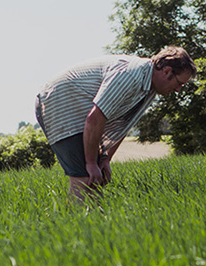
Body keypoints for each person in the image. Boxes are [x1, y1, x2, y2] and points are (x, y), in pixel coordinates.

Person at [36, 47, 196, 201]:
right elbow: (94, 119)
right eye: (180, 83)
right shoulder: (130, 74)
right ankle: (72, 225)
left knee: (95, 181)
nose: (178, 90)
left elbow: (124, 124)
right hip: (59, 102)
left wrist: (105, 159)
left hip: (77, 109)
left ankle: (92, 225)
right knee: (85, 177)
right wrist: (91, 163)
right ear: (167, 71)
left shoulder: (149, 87)